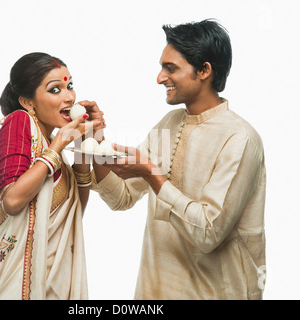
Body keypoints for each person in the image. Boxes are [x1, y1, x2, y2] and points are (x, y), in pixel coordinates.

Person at [91, 19, 266, 299]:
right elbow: (122, 197)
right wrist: (92, 141)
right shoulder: (169, 123)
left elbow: (208, 233)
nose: (160, 78)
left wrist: (152, 174)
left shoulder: (241, 139)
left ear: (204, 71)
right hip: (154, 293)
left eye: (170, 68)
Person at [0, 52, 104, 300]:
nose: (69, 97)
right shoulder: (19, 122)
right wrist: (56, 148)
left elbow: (73, 217)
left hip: (50, 278)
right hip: (14, 279)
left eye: (70, 86)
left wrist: (84, 147)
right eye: (55, 89)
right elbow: (12, 201)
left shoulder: (53, 147)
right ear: (28, 102)